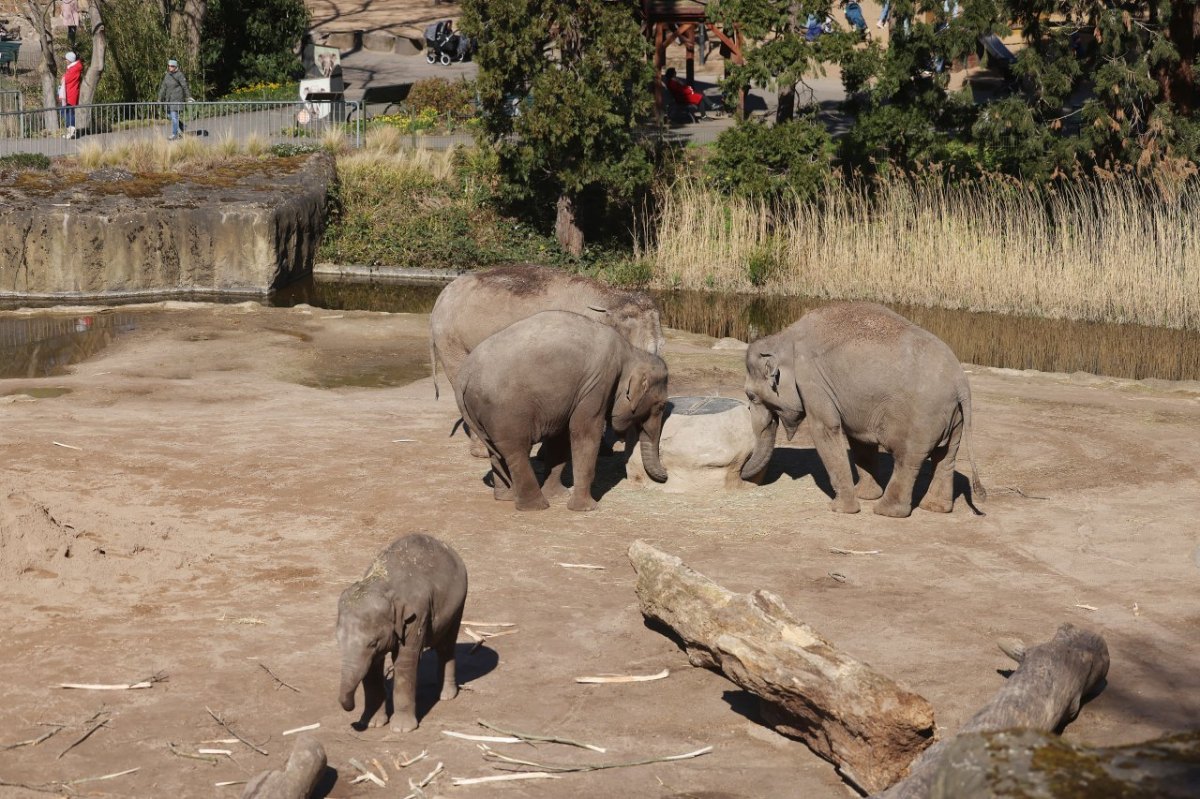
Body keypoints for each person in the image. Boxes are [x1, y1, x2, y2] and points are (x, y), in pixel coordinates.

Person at [157, 58, 194, 141]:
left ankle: (175, 134)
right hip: (168, 99)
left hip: (177, 99)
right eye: (169, 66)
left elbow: (184, 86)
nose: (170, 67)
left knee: (174, 116)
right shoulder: (167, 75)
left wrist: (188, 97)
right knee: (169, 115)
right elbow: (163, 87)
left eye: (172, 66)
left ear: (175, 67)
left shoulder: (180, 75)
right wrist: (159, 98)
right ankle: (182, 126)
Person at [59, 50, 82, 139]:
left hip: (70, 93)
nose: (65, 61)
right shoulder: (73, 68)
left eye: (66, 59)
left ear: (70, 60)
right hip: (69, 92)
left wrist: (63, 77)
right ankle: (70, 131)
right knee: (66, 112)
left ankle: (71, 131)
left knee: (68, 112)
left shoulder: (74, 69)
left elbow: (67, 79)